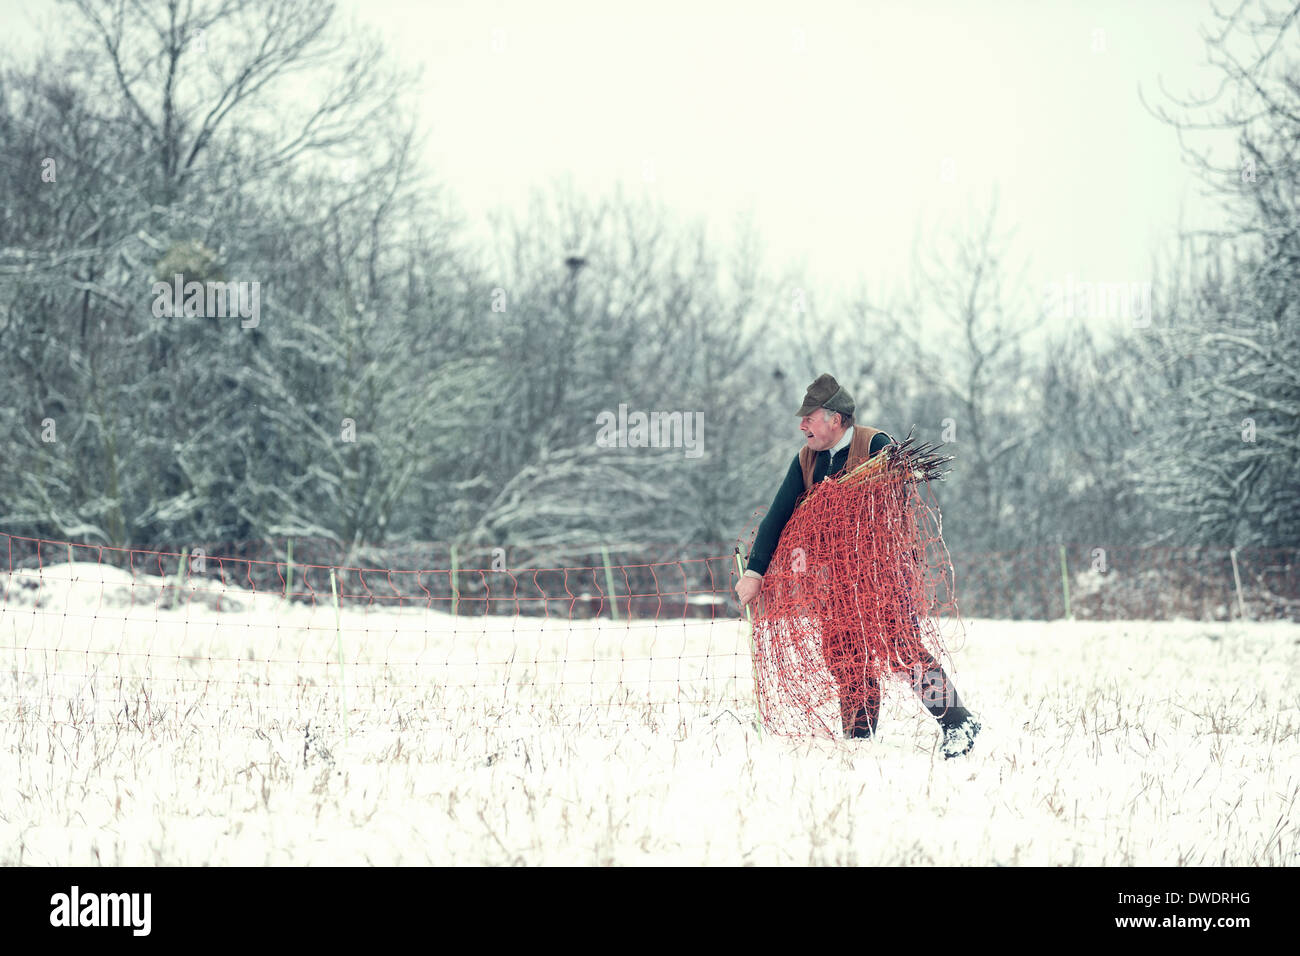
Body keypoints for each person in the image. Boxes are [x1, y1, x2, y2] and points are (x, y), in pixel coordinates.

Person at [735, 372, 982, 757]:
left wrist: (841, 500)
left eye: (810, 417)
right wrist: (755, 572)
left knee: (903, 651)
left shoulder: (877, 445)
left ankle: (958, 722)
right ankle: (859, 740)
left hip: (883, 571)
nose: (802, 425)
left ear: (835, 419)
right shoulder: (806, 460)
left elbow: (893, 504)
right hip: (836, 576)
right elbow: (778, 516)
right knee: (844, 652)